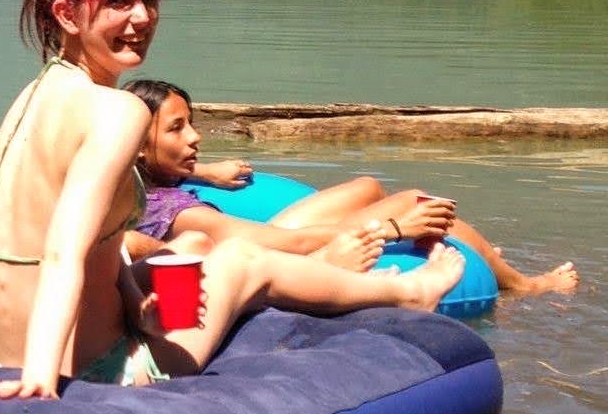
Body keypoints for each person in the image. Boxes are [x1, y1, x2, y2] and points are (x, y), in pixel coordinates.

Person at [0, 0, 466, 399]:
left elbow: (57, 235)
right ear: (66, 14)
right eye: (117, 1)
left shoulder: (31, 98)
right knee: (242, 259)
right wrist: (39, 378)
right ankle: (406, 293)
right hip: (87, 372)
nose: (142, 18)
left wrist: (132, 298)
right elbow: (61, 252)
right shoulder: (118, 111)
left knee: (189, 249)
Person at [126, 79, 579, 297]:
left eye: (193, 125)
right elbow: (287, 244)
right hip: (274, 255)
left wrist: (204, 173)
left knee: (367, 185)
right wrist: (390, 228)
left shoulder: (142, 180)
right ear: (139, 148)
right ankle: (524, 284)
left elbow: (159, 174)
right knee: (416, 203)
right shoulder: (181, 217)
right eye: (177, 129)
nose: (195, 138)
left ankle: (482, 250)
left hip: (242, 230)